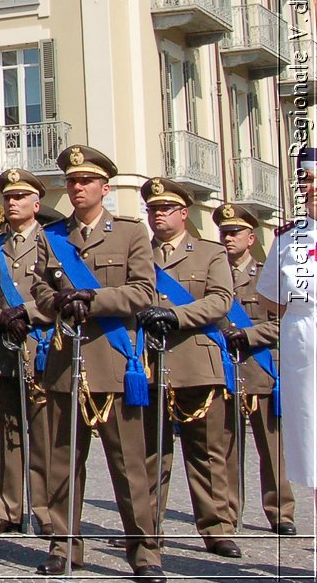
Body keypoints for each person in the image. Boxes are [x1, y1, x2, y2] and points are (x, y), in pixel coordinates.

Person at [31, 145, 161, 579]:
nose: (77, 187)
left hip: (114, 360)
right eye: (71, 181)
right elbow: (40, 291)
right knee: (63, 463)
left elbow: (144, 292)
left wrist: (95, 298)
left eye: (85, 181)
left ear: (104, 187)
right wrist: (58, 301)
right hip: (67, 362)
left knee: (128, 466)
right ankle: (63, 545)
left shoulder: (129, 232)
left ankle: (144, 552)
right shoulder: (53, 237)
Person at [136, 176, 238, 558]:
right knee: (149, 451)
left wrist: (175, 315)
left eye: (165, 209)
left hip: (197, 361)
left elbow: (220, 301)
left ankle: (217, 527)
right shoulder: (139, 253)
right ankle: (147, 527)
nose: (157, 215)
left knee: (206, 451)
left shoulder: (209, 252)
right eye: (152, 209)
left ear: (183, 213)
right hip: (148, 364)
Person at [216, 203, 296, 534]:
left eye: (234, 232)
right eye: (223, 233)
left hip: (262, 370)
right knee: (227, 448)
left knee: (272, 448)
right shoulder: (213, 272)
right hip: (223, 371)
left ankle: (281, 512)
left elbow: (285, 323)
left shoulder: (268, 275)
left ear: (251, 238)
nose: (228, 238)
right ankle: (229, 513)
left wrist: (247, 334)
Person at [0, 168, 54, 532]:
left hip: (40, 348)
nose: (12, 203)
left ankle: (44, 510)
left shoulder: (52, 243)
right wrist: (0, 316)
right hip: (2, 347)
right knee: (5, 434)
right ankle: (6, 508)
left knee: (43, 436)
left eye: (19, 197)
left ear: (36, 203)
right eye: (8, 198)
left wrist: (25, 312)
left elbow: (56, 294)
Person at [257, 146, 317, 498]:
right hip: (304, 342)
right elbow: (269, 296)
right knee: (312, 435)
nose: (311, 188)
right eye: (306, 181)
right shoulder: (287, 239)